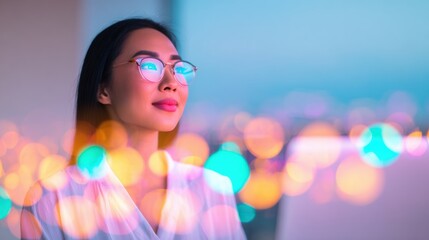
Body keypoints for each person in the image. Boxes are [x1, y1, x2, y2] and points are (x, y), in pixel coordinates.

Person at [20, 18, 246, 240]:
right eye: (149, 65)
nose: (171, 82)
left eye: (178, 68)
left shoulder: (212, 190)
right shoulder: (54, 198)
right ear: (104, 90)